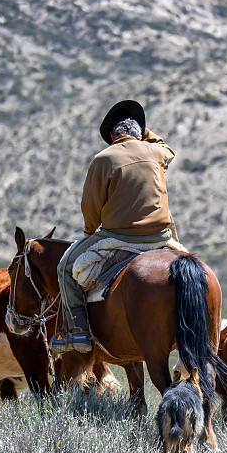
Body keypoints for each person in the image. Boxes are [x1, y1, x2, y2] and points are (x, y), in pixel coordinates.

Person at [52, 100, 177, 353]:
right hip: (160, 235)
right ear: (140, 134)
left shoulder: (103, 158)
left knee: (65, 267)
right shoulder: (156, 153)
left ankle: (78, 332)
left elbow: (91, 204)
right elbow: (166, 147)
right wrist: (144, 131)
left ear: (112, 136)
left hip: (119, 236)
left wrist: (89, 232)